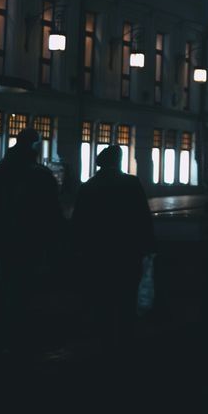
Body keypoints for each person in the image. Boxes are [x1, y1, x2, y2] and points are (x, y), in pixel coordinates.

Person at [0, 128, 65, 354]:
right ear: (34, 145)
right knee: (27, 279)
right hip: (31, 236)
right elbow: (52, 212)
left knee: (9, 276)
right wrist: (57, 240)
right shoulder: (41, 175)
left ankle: (8, 321)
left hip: (5, 236)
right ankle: (21, 325)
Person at [71, 145, 154, 349]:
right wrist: (147, 245)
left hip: (97, 251)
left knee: (102, 294)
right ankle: (125, 337)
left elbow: (79, 221)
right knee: (126, 294)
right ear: (118, 161)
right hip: (126, 249)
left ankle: (104, 336)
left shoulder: (89, 186)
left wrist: (78, 248)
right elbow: (143, 217)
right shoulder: (131, 183)